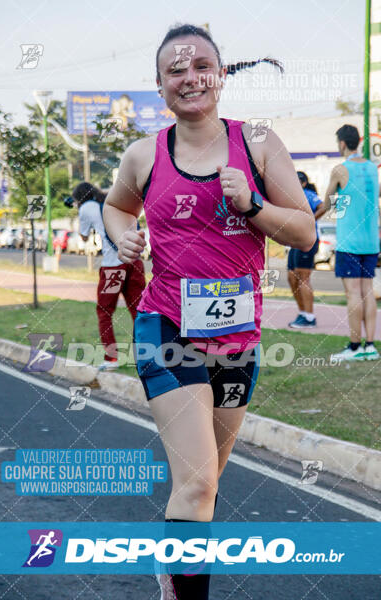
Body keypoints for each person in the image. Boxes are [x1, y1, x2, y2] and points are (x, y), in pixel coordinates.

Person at [103, 24, 316, 599]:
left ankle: (173, 562)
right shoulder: (144, 153)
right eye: (175, 69)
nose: (189, 76)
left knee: (207, 482)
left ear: (221, 76)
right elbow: (116, 206)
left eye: (201, 65)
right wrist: (123, 238)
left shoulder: (260, 142)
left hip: (237, 338)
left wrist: (251, 205)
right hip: (166, 328)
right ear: (159, 85)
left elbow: (304, 229)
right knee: (196, 484)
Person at [72, 182, 145, 371]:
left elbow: (84, 236)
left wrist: (78, 212)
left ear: (79, 198)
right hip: (134, 263)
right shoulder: (113, 201)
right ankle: (145, 356)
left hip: (114, 267)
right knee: (139, 311)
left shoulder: (87, 208)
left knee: (104, 311)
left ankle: (111, 358)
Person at [322, 125, 380, 362]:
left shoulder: (340, 169)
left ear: (342, 144)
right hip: (371, 242)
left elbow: (328, 206)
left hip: (349, 242)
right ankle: (370, 346)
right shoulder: (372, 168)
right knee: (367, 292)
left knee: (353, 294)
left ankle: (355, 347)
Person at [287, 171, 326, 328]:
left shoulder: (308, 194)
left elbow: (323, 207)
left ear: (303, 183)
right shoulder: (290, 195)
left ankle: (309, 317)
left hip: (307, 240)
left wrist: (310, 220)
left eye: (297, 181)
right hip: (294, 241)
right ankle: (303, 313)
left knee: (303, 277)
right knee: (291, 277)